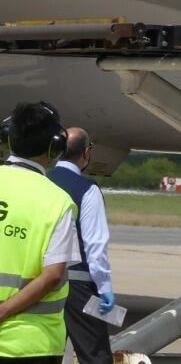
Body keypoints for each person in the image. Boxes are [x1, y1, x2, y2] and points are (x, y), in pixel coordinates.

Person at [0, 102, 80, 364]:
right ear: (55, 147)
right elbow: (52, 275)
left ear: (7, 138)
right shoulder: (57, 202)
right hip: (31, 345)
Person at [48, 128, 114, 364]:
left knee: (46, 352)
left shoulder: (41, 182)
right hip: (78, 286)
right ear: (86, 153)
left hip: (41, 282)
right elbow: (95, 245)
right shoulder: (87, 189)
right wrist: (104, 286)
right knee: (94, 355)